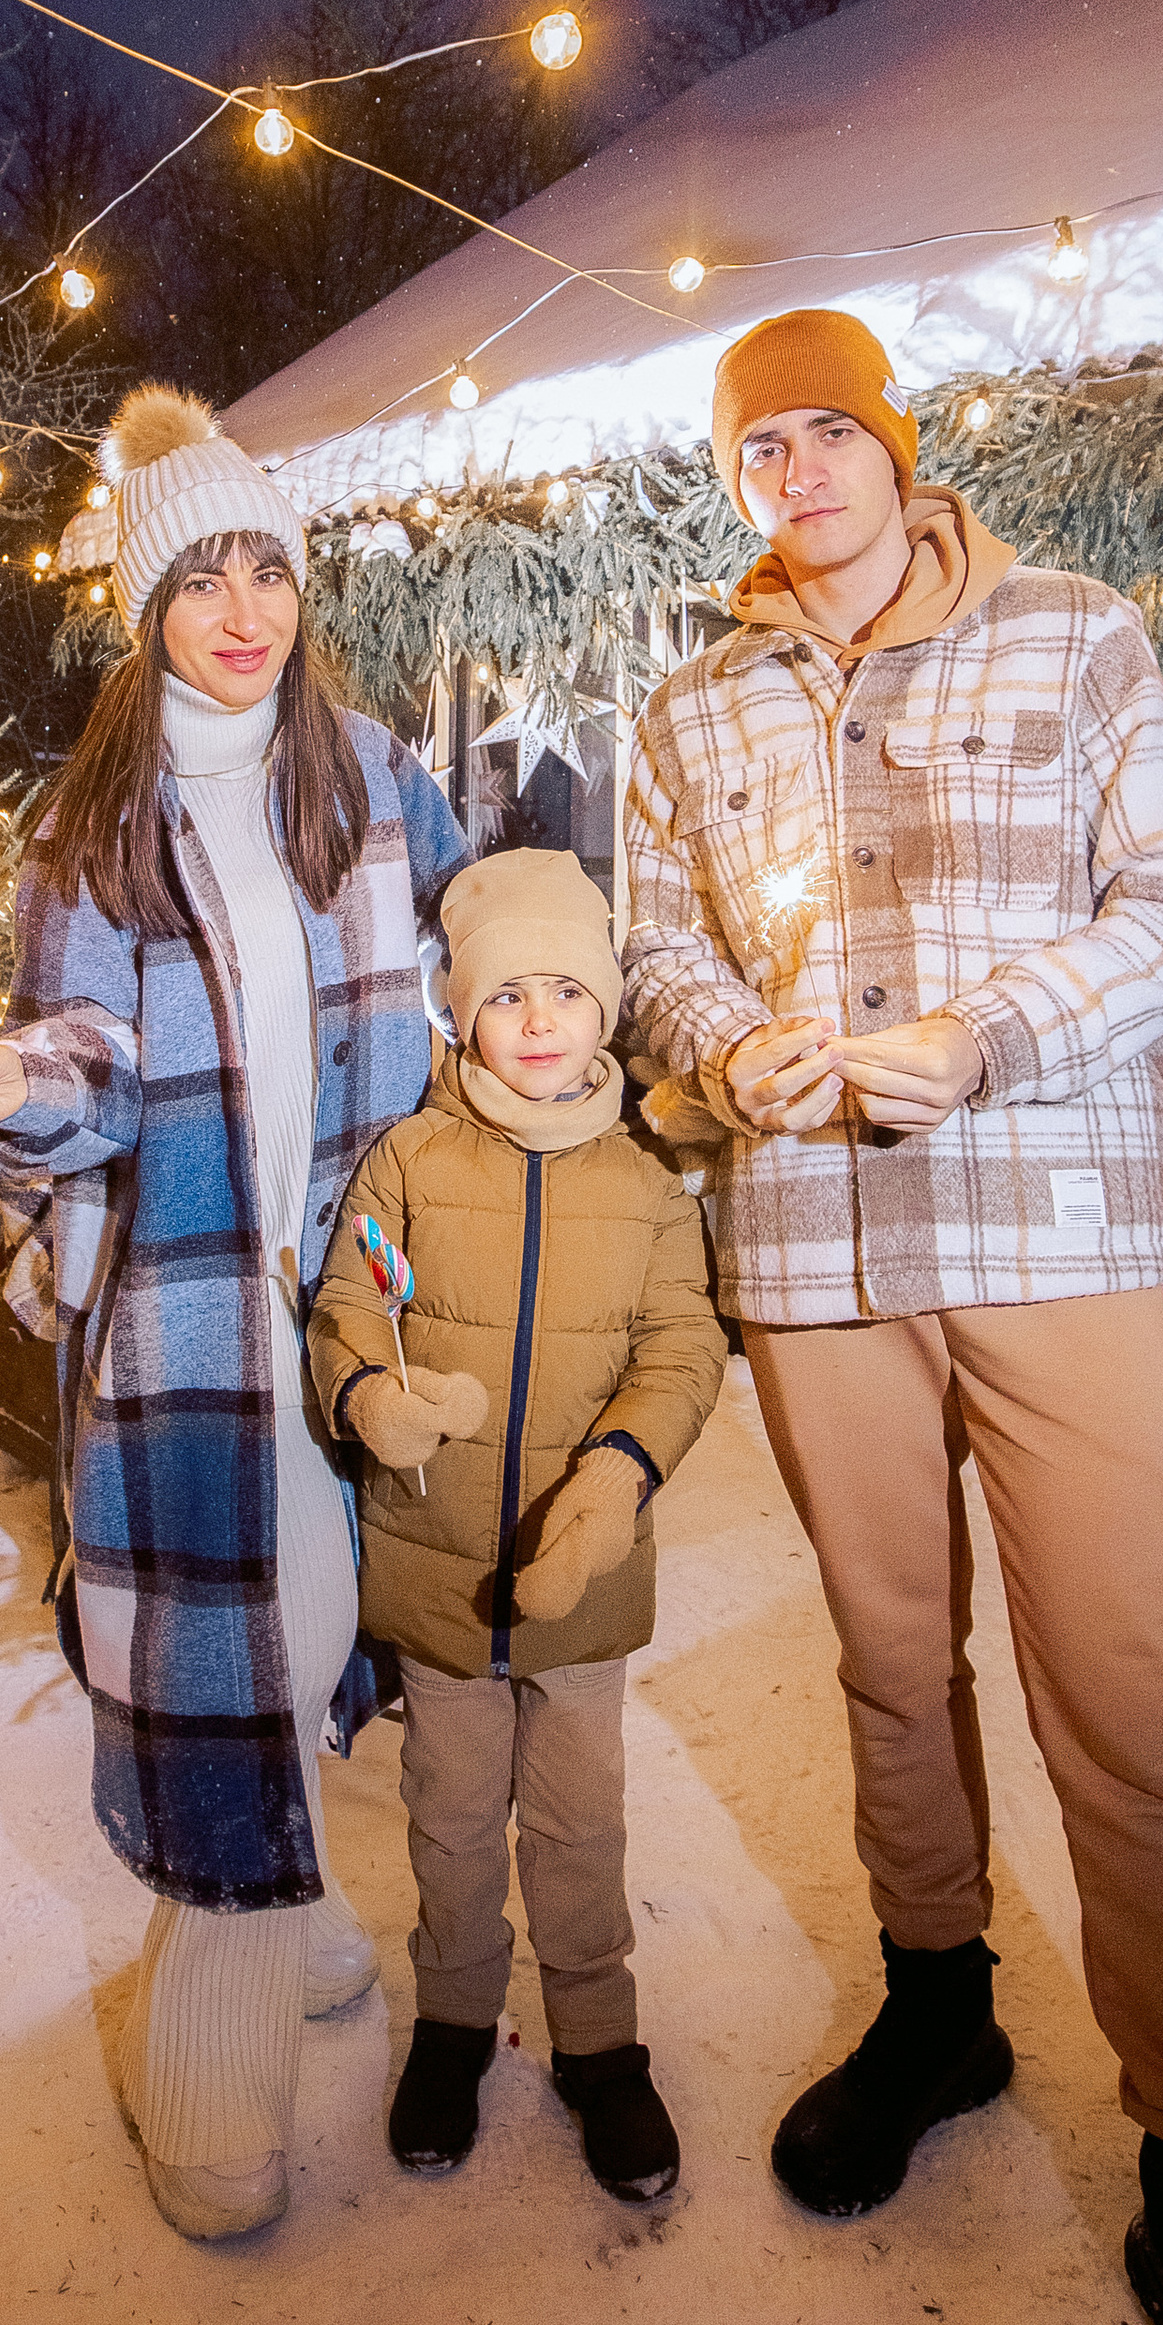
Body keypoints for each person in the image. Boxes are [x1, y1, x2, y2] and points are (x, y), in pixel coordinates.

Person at [618, 307, 1163, 2325]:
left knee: (1124, 1709)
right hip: (812, 1251)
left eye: (831, 430)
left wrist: (986, 1030)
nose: (800, 477)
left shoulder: (1070, 634)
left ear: (895, 444)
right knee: (882, 1664)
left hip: (1045, 1225)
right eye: (762, 449)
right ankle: (939, 2007)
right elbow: (655, 949)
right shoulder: (687, 702)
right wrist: (726, 1042)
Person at [0, 384, 467, 2246]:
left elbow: (485, 943)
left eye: (269, 570)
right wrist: (12, 1090)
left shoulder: (373, 774)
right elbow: (92, 1052)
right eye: (199, 576)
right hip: (193, 1309)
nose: (243, 609)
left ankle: (296, 1908)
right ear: (143, 610)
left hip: (365, 1288)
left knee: (326, 1622)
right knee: (236, 1643)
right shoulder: (89, 827)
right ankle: (218, 2023)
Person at [306, 848, 725, 2204]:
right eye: (506, 997)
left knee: (578, 1820)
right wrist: (373, 1396)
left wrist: (615, 1477)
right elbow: (355, 1306)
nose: (536, 1020)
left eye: (564, 991)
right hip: (437, 1579)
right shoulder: (410, 1167)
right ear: (459, 1014)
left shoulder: (652, 1187)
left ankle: (600, 2041)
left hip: (583, 1584)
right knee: (450, 1817)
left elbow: (683, 1349)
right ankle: (452, 2023)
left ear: (604, 1011)